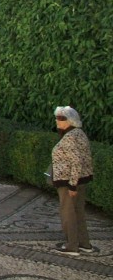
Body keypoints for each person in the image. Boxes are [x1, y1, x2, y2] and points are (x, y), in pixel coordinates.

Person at [51, 106, 94, 256]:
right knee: (78, 212)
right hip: (81, 179)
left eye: (61, 118)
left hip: (70, 181)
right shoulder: (79, 134)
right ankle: (84, 243)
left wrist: (72, 185)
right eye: (57, 117)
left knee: (68, 213)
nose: (57, 121)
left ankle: (71, 246)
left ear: (70, 121)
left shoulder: (70, 137)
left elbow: (76, 162)